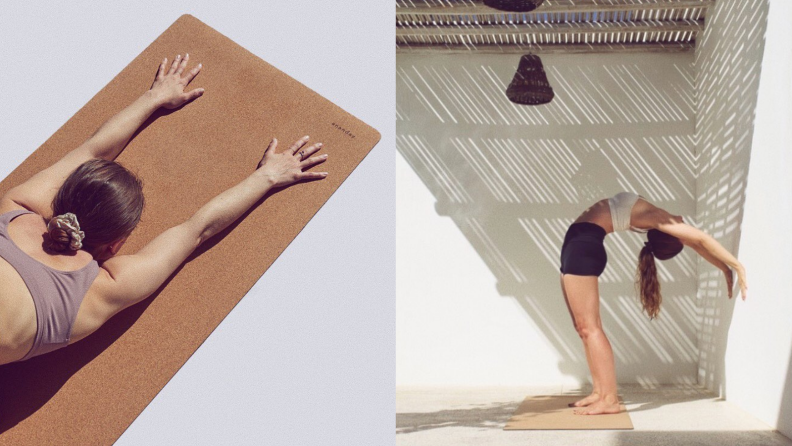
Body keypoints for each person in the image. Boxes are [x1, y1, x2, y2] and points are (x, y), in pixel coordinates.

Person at [0, 53, 328, 365]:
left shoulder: (15, 208)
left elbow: (92, 150)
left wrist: (154, 96)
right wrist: (268, 177)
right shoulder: (99, 292)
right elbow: (197, 229)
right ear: (114, 246)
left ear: (60, 200)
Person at [559, 191, 747, 415]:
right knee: (583, 328)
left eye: (682, 234)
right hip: (577, 245)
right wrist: (723, 267)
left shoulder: (656, 217)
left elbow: (700, 239)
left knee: (590, 327)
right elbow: (695, 244)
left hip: (583, 247)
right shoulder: (654, 216)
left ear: (672, 233)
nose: (685, 226)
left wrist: (736, 266)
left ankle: (609, 399)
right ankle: (599, 392)